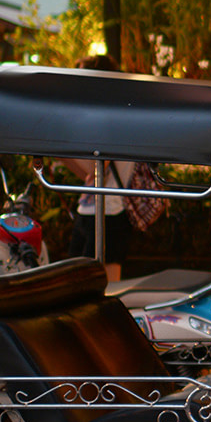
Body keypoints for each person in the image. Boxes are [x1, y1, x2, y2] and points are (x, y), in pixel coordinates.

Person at [61, 55, 139, 281]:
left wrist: (60, 148)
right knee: (81, 283)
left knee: (102, 286)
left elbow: (98, 173)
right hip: (90, 210)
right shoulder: (106, 115)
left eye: (83, 78)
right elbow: (90, 177)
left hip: (110, 213)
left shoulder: (112, 117)